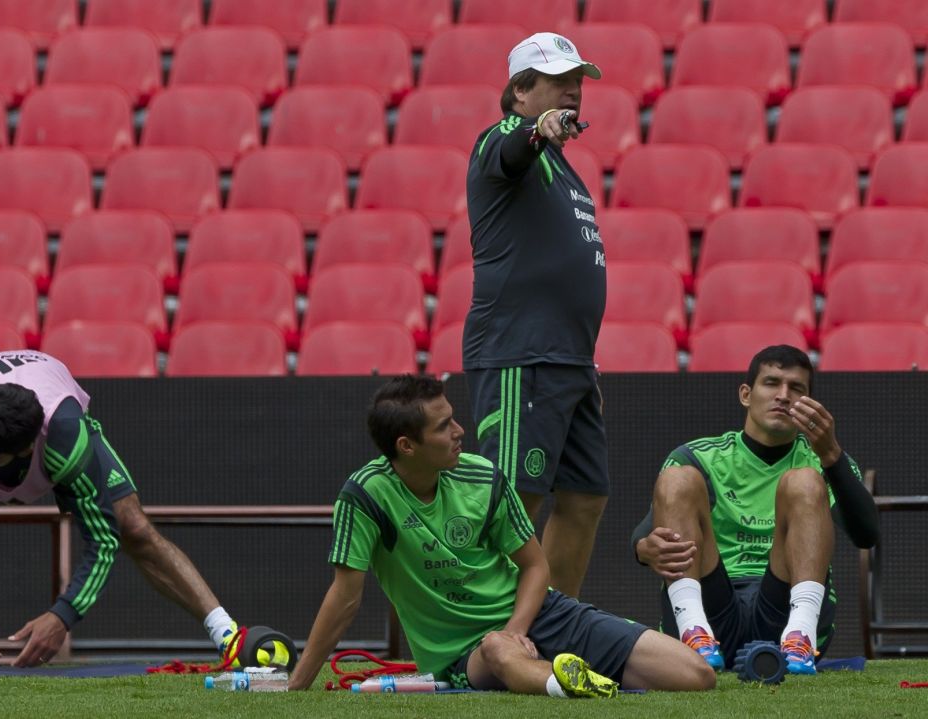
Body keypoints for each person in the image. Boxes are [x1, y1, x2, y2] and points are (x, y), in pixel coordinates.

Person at [287, 374, 714, 695]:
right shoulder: (365, 496)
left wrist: (516, 628)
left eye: (453, 419)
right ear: (406, 446)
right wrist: (298, 685)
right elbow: (345, 597)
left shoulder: (482, 474)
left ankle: (563, 672)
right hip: (464, 652)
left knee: (695, 676)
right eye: (443, 427)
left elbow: (534, 565)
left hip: (538, 614)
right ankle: (572, 683)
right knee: (497, 650)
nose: (459, 432)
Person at [0, 350, 252, 667]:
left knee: (133, 527)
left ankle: (227, 635)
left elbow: (103, 540)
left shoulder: (65, 440)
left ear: (25, 452)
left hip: (56, 427)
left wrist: (62, 616)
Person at [463, 31, 608, 599]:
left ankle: (552, 625)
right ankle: (487, 635)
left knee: (585, 496)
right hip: (520, 354)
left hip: (569, 362)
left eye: (578, 82)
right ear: (521, 90)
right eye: (559, 82)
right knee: (513, 499)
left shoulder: (565, 170)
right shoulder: (503, 139)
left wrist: (582, 368)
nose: (574, 93)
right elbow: (512, 146)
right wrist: (537, 131)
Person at [633, 345, 879, 674]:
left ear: (810, 402)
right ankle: (693, 631)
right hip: (711, 600)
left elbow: (867, 535)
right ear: (746, 394)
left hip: (786, 605)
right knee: (678, 478)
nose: (783, 395)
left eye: (796, 388)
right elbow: (644, 535)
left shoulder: (824, 461)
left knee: (804, 481)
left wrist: (832, 455)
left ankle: (801, 636)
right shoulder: (700, 456)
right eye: (771, 383)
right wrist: (645, 548)